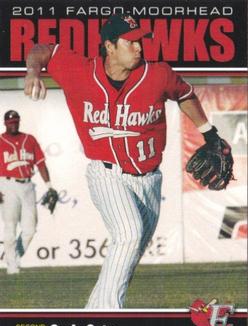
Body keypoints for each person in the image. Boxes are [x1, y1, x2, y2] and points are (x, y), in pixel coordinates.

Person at [24, 14, 232, 308]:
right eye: (130, 41)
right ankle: (107, 316)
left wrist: (209, 134)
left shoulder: (158, 74)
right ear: (109, 46)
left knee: (129, 251)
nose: (139, 47)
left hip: (149, 180)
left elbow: (184, 94)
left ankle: (93, 317)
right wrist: (33, 70)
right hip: (106, 173)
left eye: (140, 41)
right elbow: (41, 49)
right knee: (129, 232)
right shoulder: (79, 70)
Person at [0, 110, 55, 274]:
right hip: (7, 184)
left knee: (30, 228)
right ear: (5, 123)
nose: (13, 124)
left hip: (28, 186)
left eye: (15, 121)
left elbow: (41, 163)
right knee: (10, 226)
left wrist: (49, 186)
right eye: (10, 122)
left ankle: (14, 257)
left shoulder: (29, 139)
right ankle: (12, 265)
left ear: (19, 122)